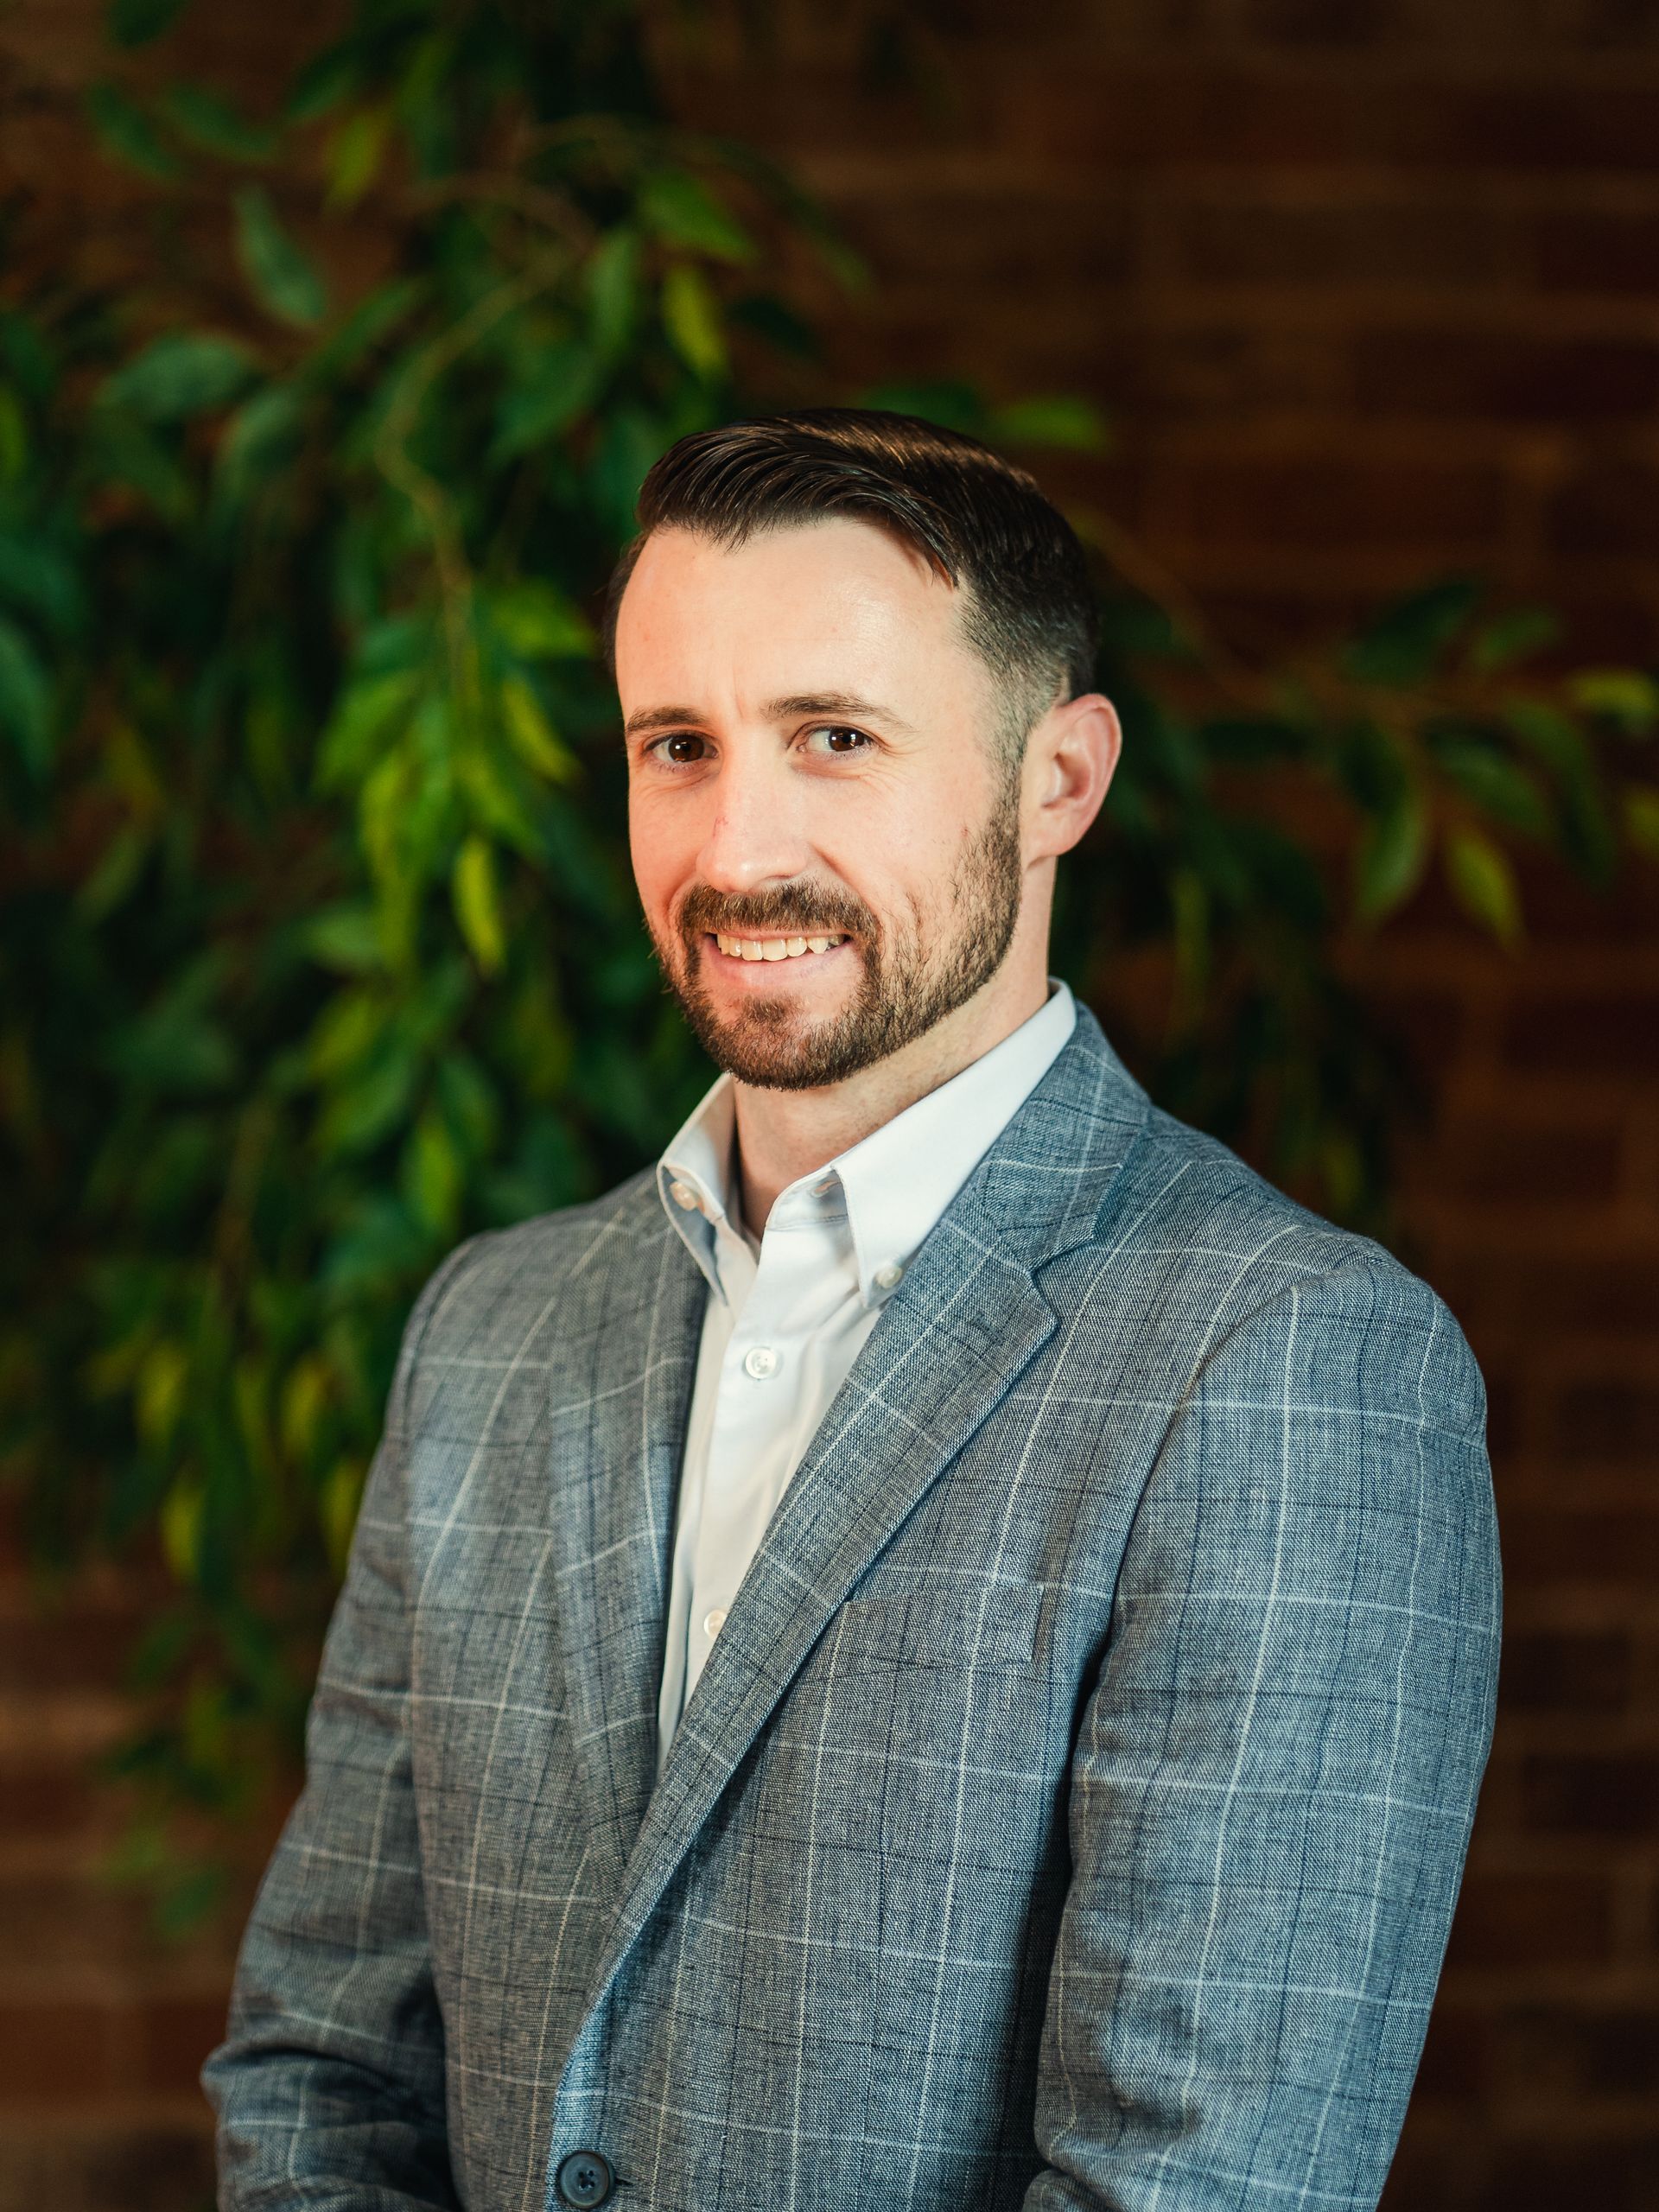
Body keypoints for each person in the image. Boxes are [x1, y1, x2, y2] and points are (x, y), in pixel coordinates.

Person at [204, 410, 1501, 2212]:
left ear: (1059, 778)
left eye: (836, 737)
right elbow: (324, 2072)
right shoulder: (487, 1329)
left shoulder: (1290, 1362)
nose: (740, 844)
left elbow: (1200, 2185)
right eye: (680, 742)